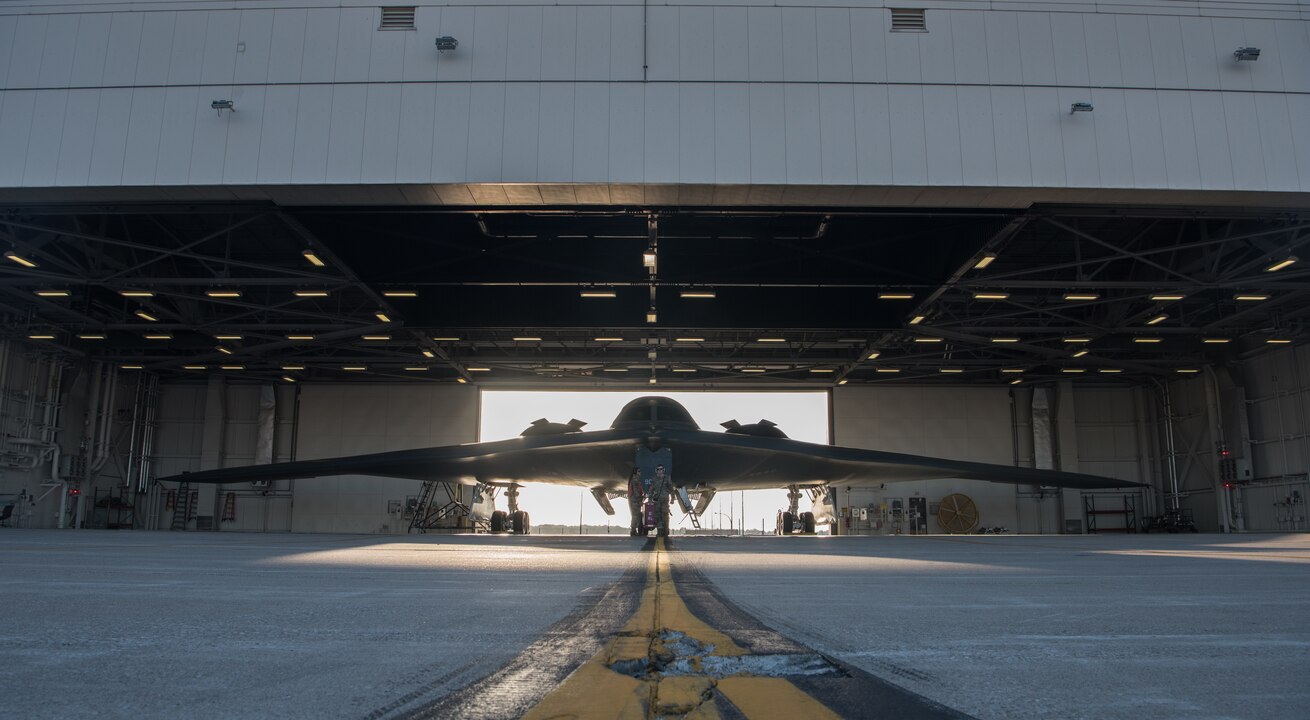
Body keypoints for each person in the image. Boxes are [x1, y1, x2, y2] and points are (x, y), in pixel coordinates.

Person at [649, 465, 673, 536]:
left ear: (663, 470)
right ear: (656, 470)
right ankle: (659, 531)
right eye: (658, 469)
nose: (660, 471)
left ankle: (666, 530)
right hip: (657, 500)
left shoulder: (667, 478)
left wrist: (672, 498)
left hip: (665, 499)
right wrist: (649, 499)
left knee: (665, 514)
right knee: (658, 515)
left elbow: (671, 489)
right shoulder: (654, 479)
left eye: (661, 469)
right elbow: (651, 490)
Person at [627, 469, 644, 536]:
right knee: (635, 516)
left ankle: (633, 530)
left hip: (635, 501)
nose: (640, 473)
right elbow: (636, 492)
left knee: (636, 516)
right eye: (639, 471)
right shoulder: (635, 480)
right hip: (635, 501)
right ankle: (633, 531)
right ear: (636, 473)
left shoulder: (635, 480)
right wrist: (639, 500)